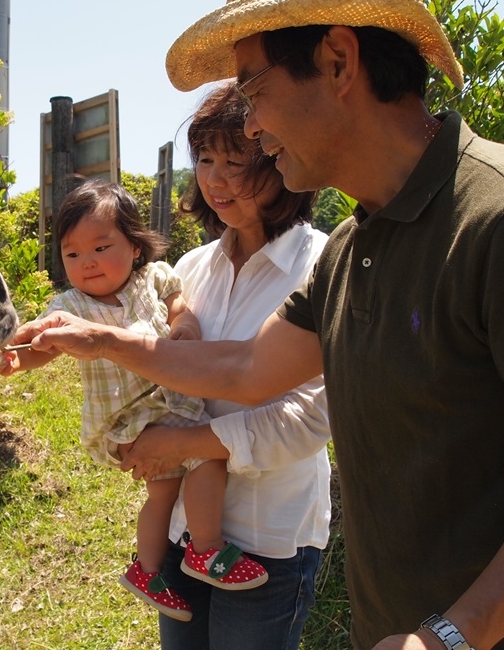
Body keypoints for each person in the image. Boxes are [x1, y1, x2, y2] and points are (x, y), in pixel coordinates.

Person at [11, 0, 504, 650]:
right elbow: (247, 368)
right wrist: (97, 336)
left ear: (337, 60)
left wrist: (450, 635)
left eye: (255, 91)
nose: (249, 127)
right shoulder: (352, 251)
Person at [0, 178, 268, 623]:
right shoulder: (72, 304)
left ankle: (147, 570)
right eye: (73, 253)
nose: (88, 263)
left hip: (169, 406)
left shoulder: (154, 278)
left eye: (101, 247)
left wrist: (185, 330)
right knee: (206, 459)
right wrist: (16, 360)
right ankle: (207, 550)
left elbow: (180, 307)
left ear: (136, 248)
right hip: (126, 419)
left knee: (162, 493)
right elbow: (40, 345)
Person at [143, 81, 332, 650]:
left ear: (280, 160)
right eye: (204, 159)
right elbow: (161, 383)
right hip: (183, 531)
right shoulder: (190, 270)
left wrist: (190, 443)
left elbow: (313, 417)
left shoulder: (319, 263)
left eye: (236, 161)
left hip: (270, 536)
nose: (215, 179)